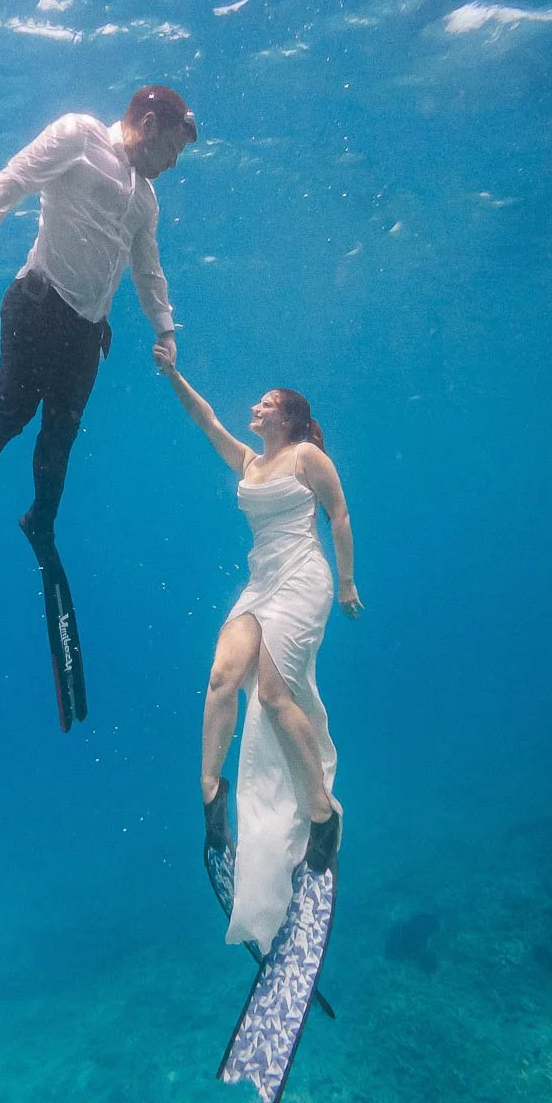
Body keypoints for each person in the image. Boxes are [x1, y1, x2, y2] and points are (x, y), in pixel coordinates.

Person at [0, 86, 199, 744]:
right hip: (36, 302)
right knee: (11, 414)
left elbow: (147, 267)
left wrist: (163, 328)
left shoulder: (146, 196)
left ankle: (39, 522)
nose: (171, 162)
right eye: (169, 147)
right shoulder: (80, 134)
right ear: (145, 122)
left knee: (60, 443)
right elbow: (17, 175)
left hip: (87, 332)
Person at [158, 357, 360, 954]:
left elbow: (339, 513)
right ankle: (210, 795)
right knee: (222, 677)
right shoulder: (250, 462)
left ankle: (322, 814)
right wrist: (172, 374)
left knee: (273, 695)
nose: (256, 406)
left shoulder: (306, 458)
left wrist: (347, 581)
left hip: (303, 580)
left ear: (289, 416)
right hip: (261, 581)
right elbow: (206, 420)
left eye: (267, 401)